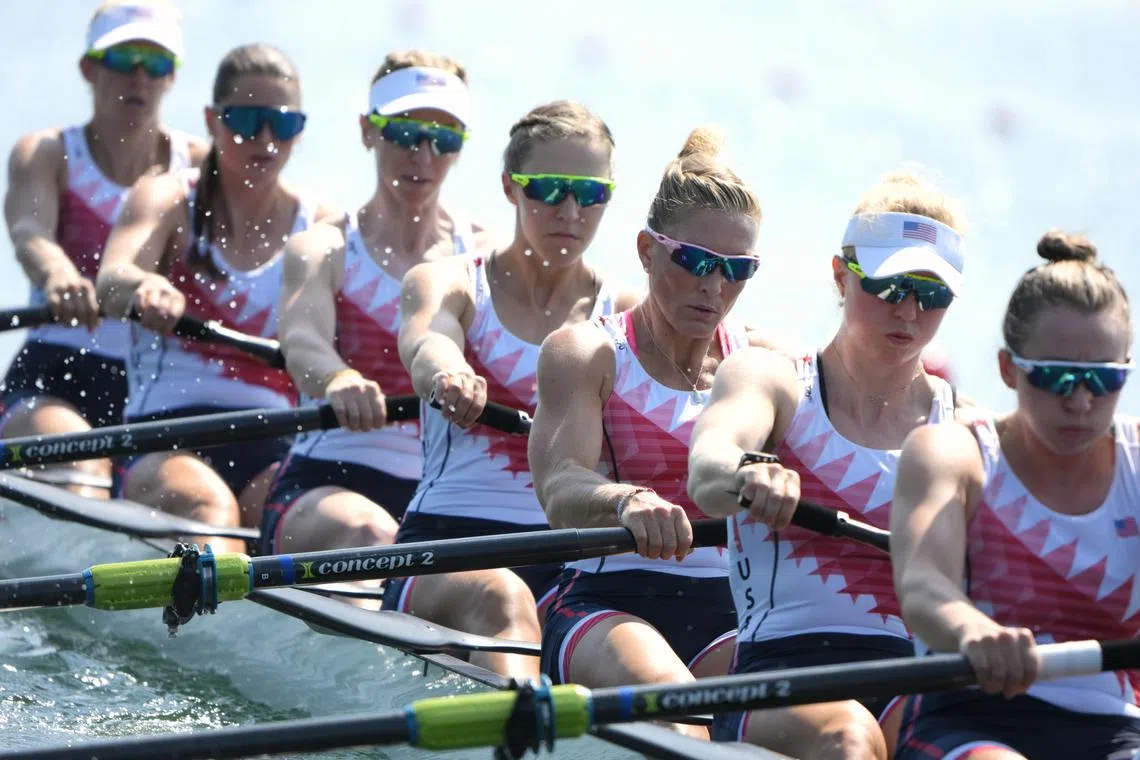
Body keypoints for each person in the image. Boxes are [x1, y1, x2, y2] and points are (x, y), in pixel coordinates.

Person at [687, 171, 968, 759]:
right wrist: (746, 474)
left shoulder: (965, 432)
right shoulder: (774, 381)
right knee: (849, 738)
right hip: (778, 676)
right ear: (841, 274)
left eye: (933, 293)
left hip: (913, 685)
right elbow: (708, 470)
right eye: (891, 286)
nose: (910, 311)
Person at [529, 127, 767, 740]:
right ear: (646, 249)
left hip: (728, 615)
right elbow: (559, 488)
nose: (713, 286)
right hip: (604, 603)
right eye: (693, 260)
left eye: (736, 269)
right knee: (686, 721)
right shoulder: (587, 353)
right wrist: (627, 499)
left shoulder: (761, 368)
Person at [389, 100, 635, 678]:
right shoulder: (450, 280)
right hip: (443, 549)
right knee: (504, 600)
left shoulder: (625, 316)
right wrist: (448, 375)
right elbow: (428, 340)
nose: (570, 211)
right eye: (548, 189)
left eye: (591, 194)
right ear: (509, 187)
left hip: (568, 564)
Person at [891, 231, 1140, 760]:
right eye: (1055, 376)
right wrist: (975, 630)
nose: (1079, 401)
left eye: (1103, 380)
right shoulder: (952, 453)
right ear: (1008, 370)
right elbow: (922, 586)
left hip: (1116, 729)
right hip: (970, 716)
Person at [96, 43, 339, 553]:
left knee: (324, 526)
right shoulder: (167, 197)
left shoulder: (319, 224)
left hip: (273, 438)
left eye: (284, 124)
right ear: (213, 119)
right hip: (162, 437)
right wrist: (145, 286)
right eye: (248, 121)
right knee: (213, 511)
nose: (266, 139)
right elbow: (112, 279)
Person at [260, 50, 487, 556]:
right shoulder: (324, 247)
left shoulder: (484, 259)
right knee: (373, 536)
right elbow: (301, 340)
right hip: (328, 478)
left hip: (440, 495)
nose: (423, 156)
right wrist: (338, 378)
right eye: (405, 133)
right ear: (368, 131)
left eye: (444, 138)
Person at [0, 0, 205, 497]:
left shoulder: (199, 165)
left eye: (155, 63)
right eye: (122, 59)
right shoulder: (47, 152)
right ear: (89, 68)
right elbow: (30, 232)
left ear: (172, 76)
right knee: (84, 473)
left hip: (160, 384)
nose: (139, 77)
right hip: (57, 363)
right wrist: (58, 276)